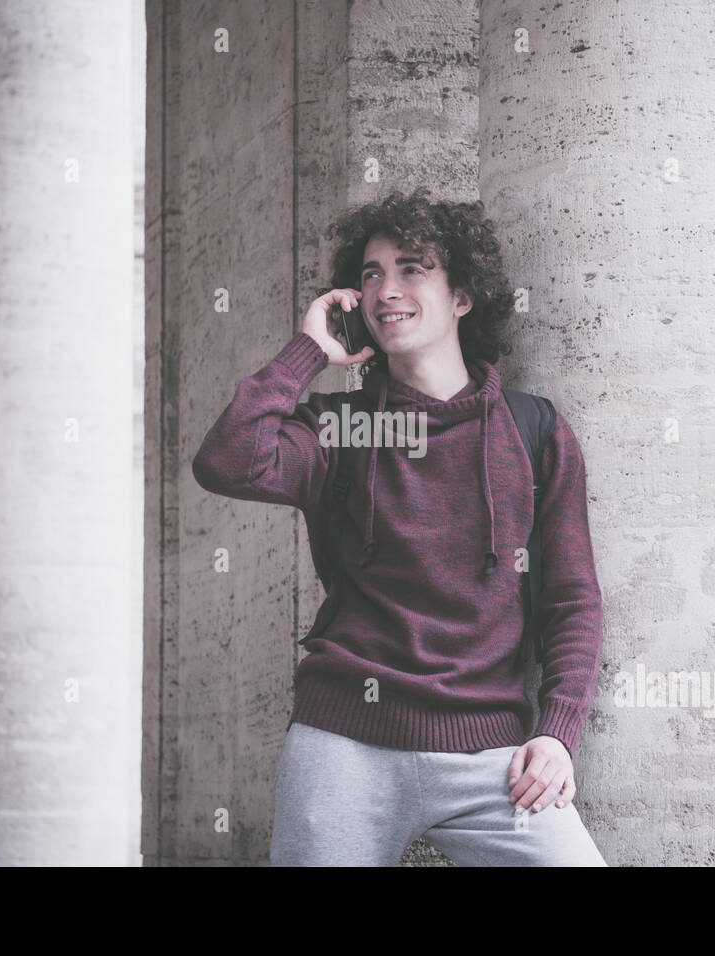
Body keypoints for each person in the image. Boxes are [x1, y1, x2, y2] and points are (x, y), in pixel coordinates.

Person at [191, 188, 607, 866]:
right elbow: (225, 460)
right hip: (343, 746)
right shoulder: (339, 427)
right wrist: (307, 351)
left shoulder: (536, 432)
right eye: (370, 273)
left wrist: (557, 733)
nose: (386, 288)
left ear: (463, 296)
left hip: (492, 758)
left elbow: (573, 599)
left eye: (412, 267)